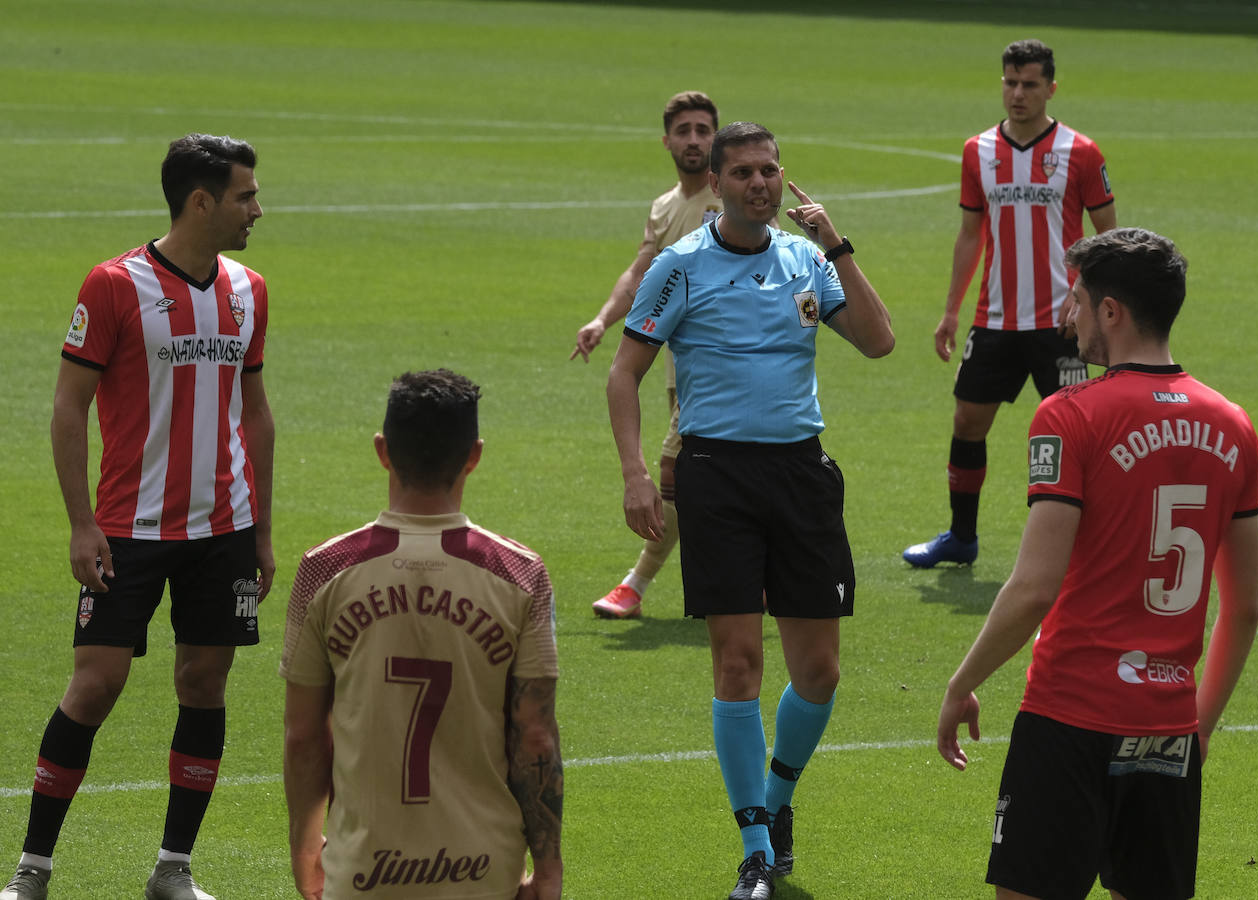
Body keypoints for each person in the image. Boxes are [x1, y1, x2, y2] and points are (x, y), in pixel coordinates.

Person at [608, 122, 893, 900]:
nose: (761, 184)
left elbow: (878, 342)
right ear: (719, 181)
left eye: (770, 170)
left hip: (801, 474)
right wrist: (637, 473)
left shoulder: (804, 258)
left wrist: (838, 244)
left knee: (820, 672)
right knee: (738, 664)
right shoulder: (680, 266)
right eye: (744, 173)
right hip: (716, 476)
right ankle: (755, 850)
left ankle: (775, 803)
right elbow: (624, 375)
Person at [936, 228, 1258, 900]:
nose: (1067, 316)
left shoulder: (1069, 415)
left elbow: (1033, 587)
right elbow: (1245, 609)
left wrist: (961, 682)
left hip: (1070, 717)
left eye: (1077, 300)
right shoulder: (1234, 426)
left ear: (1111, 311)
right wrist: (1192, 731)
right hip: (1167, 725)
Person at [1, 134, 273, 900]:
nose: (258, 208)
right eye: (245, 195)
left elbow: (255, 413)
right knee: (95, 685)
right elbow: (68, 407)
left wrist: (264, 530)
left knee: (205, 680)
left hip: (223, 528)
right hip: (128, 529)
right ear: (201, 201)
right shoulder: (113, 285)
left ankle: (173, 871)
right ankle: (31, 871)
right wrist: (80, 524)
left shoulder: (250, 289)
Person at [281, 370, 562, 900]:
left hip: (363, 872)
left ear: (382, 450)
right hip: (484, 875)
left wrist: (304, 847)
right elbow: (535, 735)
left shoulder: (324, 571)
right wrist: (548, 869)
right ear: (474, 455)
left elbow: (303, 737)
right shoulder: (521, 575)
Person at [903, 38, 1117, 568]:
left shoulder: (1080, 152)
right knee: (967, 423)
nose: (1017, 93)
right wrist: (952, 310)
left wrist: (1087, 302)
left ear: (1050, 87)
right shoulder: (978, 151)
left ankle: (1090, 548)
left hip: (1060, 324)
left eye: (1029, 84)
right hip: (995, 320)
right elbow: (970, 234)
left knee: (1078, 435)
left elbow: (1108, 234)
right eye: (1010, 82)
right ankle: (961, 537)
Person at [572, 90, 721, 619]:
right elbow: (639, 273)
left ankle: (636, 584)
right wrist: (601, 319)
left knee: (674, 474)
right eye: (685, 131)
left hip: (724, 370)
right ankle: (753, 575)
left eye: (704, 130)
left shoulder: (730, 200)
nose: (695, 140)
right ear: (668, 141)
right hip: (683, 371)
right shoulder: (664, 208)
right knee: (717, 477)